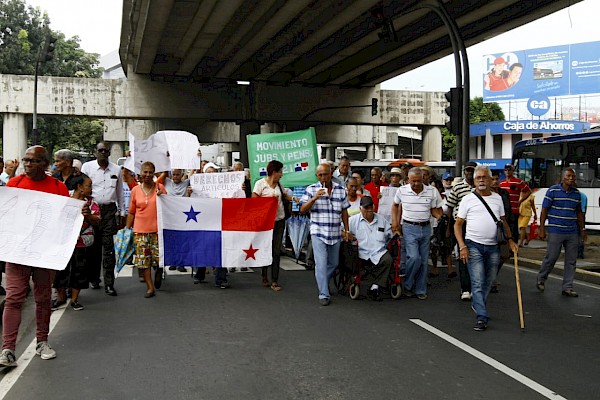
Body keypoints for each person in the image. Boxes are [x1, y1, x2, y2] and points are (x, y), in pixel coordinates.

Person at [0, 146, 70, 367]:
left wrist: (80, 214)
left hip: (44, 253)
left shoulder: (59, 188)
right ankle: (8, 349)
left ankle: (42, 342)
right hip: (17, 252)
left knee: (42, 299)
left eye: (34, 161)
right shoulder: (14, 185)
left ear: (45, 164)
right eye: (26, 160)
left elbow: (64, 221)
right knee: (13, 298)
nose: (28, 165)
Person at [454, 165, 518, 331]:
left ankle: (478, 302)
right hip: (473, 245)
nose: (481, 180)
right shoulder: (468, 199)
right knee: (477, 280)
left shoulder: (497, 198)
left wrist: (510, 240)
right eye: (478, 178)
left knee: (489, 280)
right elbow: (458, 224)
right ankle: (482, 316)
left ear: (491, 180)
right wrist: (462, 246)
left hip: (493, 246)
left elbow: (503, 221)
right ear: (474, 181)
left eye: (484, 177)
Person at [300, 163, 350, 306]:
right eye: (320, 175)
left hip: (335, 231)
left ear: (331, 174)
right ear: (317, 176)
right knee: (321, 264)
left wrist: (346, 230)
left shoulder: (340, 190)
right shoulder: (311, 189)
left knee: (333, 263)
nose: (324, 177)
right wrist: (314, 198)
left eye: (326, 174)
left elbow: (344, 211)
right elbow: (303, 209)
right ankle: (324, 293)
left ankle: (322, 281)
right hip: (318, 231)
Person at [81, 143, 126, 295]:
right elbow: (82, 190)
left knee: (109, 249)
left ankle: (109, 283)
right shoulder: (87, 167)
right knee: (93, 248)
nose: (103, 153)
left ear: (109, 153)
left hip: (109, 212)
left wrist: (122, 213)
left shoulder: (116, 169)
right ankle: (94, 278)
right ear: (95, 152)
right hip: (93, 210)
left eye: (106, 151)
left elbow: (120, 192)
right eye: (100, 150)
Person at [391, 167, 442, 300]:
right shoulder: (402, 191)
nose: (416, 184)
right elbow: (395, 206)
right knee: (414, 258)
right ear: (408, 180)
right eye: (413, 181)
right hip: (409, 227)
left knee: (424, 261)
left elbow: (435, 209)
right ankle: (408, 284)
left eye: (418, 181)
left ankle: (420, 289)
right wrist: (395, 222)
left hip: (425, 227)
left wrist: (439, 217)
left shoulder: (432, 191)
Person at [52, 174, 100, 311]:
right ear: (79, 187)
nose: (91, 188)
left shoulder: (91, 203)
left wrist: (88, 215)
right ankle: (60, 298)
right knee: (60, 270)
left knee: (80, 270)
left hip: (82, 243)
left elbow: (97, 220)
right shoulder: (65, 199)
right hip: (64, 242)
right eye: (88, 185)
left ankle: (74, 299)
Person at [536, 168, 586, 297]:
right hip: (556, 230)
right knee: (552, 257)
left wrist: (583, 229)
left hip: (572, 232)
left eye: (573, 176)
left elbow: (579, 213)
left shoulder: (576, 194)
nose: (571, 178)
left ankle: (567, 287)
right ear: (563, 177)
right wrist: (542, 228)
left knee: (571, 261)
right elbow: (544, 210)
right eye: (568, 176)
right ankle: (541, 278)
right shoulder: (553, 191)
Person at [252, 160, 297, 291]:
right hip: (266, 223)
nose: (281, 175)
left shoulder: (279, 185)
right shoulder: (260, 184)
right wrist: (267, 201)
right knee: (266, 248)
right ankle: (264, 275)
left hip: (279, 220)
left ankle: (275, 280)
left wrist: (293, 199)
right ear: (274, 172)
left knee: (276, 251)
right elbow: (254, 201)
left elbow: (285, 195)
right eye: (280, 172)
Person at [125, 161, 167, 298]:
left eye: (150, 172)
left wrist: (163, 197)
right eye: (145, 172)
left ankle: (159, 271)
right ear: (141, 174)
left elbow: (169, 207)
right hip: (140, 231)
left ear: (154, 173)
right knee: (144, 261)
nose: (148, 175)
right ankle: (150, 288)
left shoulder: (160, 188)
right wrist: (127, 229)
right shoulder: (135, 191)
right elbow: (131, 212)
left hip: (157, 231)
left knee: (158, 259)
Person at [348, 196, 392, 302]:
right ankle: (355, 280)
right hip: (360, 252)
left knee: (388, 260)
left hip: (378, 251)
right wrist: (346, 234)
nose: (369, 210)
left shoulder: (382, 220)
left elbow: (390, 235)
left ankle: (375, 286)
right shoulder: (353, 220)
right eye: (366, 207)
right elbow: (341, 230)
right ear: (360, 209)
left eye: (370, 207)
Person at [446, 161, 477, 300]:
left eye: (472, 170)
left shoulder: (481, 187)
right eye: (467, 170)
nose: (469, 173)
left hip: (478, 225)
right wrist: (449, 227)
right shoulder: (458, 187)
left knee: (477, 256)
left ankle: (477, 287)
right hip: (462, 224)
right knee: (464, 254)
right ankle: (465, 288)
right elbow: (450, 208)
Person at [490, 170, 512, 293]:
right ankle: (491, 280)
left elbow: (508, 214)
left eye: (497, 179)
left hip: (503, 229)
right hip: (490, 230)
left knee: (504, 255)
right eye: (492, 179)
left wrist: (510, 233)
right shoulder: (485, 195)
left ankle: (493, 275)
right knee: (491, 257)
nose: (495, 181)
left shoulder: (504, 193)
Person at [499, 163, 531, 248]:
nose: (507, 171)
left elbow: (528, 191)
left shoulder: (518, 181)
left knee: (514, 230)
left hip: (513, 210)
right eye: (506, 170)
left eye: (509, 169)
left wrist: (520, 201)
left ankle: (514, 247)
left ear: (512, 171)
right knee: (504, 229)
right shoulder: (501, 183)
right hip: (504, 211)